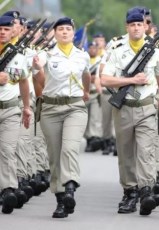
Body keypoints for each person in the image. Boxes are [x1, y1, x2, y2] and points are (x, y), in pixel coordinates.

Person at [101, 10, 159, 216]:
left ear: (145, 26)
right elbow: (105, 79)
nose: (136, 28)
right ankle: (129, 192)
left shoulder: (155, 48)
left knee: (146, 150)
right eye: (132, 25)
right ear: (127, 27)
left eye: (140, 24)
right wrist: (131, 81)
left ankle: (146, 191)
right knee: (125, 153)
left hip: (147, 106)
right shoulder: (116, 48)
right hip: (124, 107)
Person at [32, 17, 91, 218]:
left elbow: (87, 75)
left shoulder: (82, 55)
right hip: (51, 109)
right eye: (60, 29)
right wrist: (37, 65)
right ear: (55, 34)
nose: (64, 32)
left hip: (74, 107)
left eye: (68, 29)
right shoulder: (46, 54)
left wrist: (86, 91)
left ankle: (70, 188)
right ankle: (60, 200)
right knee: (55, 155)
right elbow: (37, 74)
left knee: (70, 147)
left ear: (73, 33)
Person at [0, 15, 32, 214]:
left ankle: (8, 189)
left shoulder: (18, 56)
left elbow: (23, 82)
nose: (2, 31)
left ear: (13, 30)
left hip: (11, 109)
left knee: (7, 149)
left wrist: (27, 107)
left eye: (6, 28)